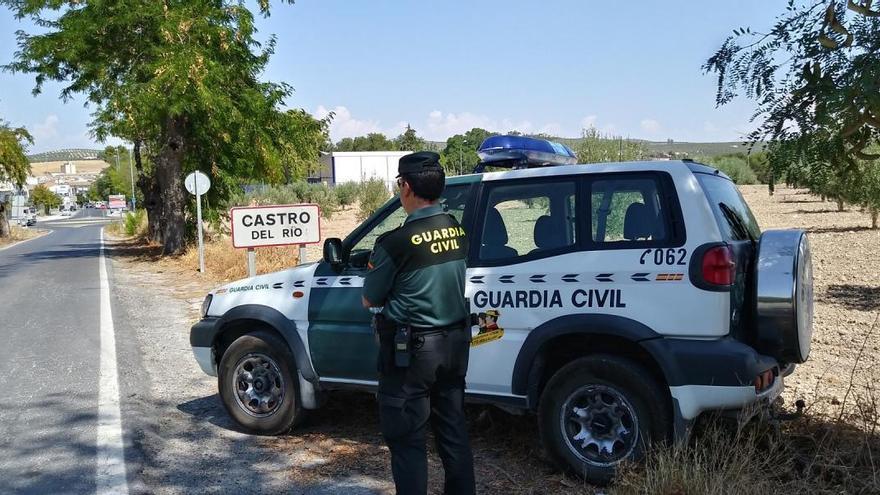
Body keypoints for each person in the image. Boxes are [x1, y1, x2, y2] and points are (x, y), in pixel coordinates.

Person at [362, 151, 475, 495]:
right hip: (456, 345)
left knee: (408, 440)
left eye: (399, 184)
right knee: (453, 432)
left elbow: (370, 299)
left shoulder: (395, 242)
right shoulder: (456, 230)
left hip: (412, 354)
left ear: (407, 187)